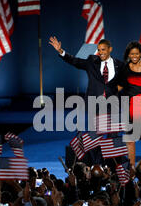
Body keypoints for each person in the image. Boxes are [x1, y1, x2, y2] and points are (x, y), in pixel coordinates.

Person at [49, 36, 125, 164]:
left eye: (103, 50)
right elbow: (75, 61)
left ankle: (113, 165)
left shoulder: (119, 65)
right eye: (99, 50)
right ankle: (96, 165)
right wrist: (61, 51)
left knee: (113, 136)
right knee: (95, 135)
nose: (100, 52)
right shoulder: (92, 61)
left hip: (113, 104)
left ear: (110, 49)